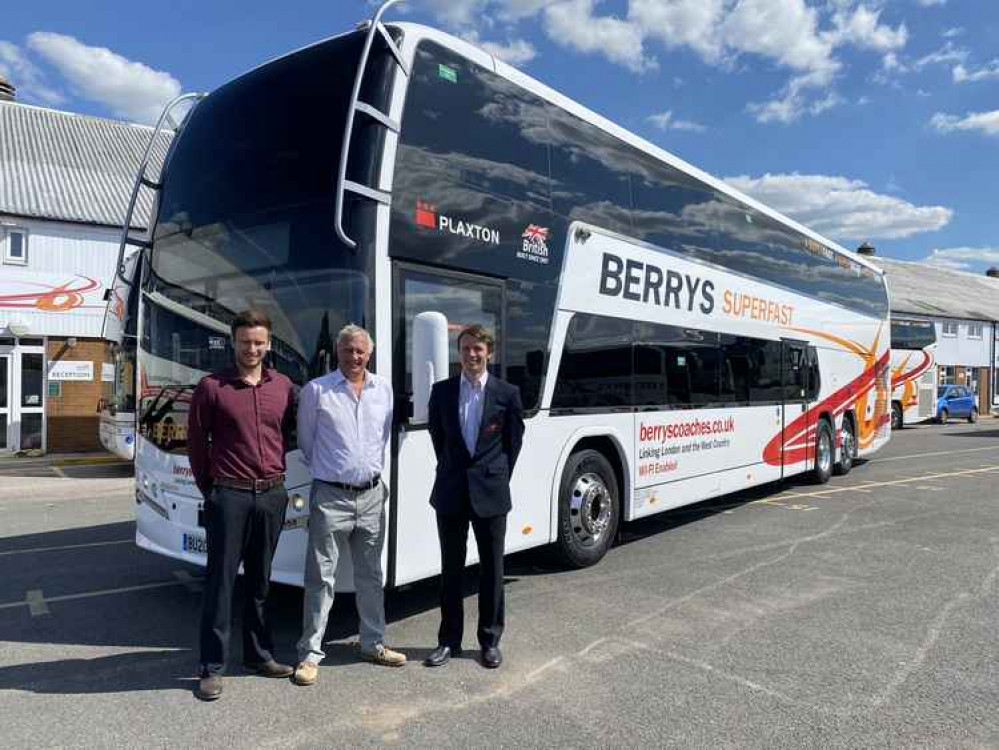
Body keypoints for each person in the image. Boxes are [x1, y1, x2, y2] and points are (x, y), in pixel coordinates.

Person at [188, 309, 296, 702]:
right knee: (220, 584)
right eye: (245, 341)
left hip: (271, 495)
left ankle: (259, 655)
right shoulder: (212, 387)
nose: (251, 348)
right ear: (233, 342)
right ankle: (211, 667)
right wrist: (213, 492)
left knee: (261, 581)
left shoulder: (283, 386)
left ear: (268, 345)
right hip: (229, 496)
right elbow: (198, 448)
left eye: (258, 342)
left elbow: (288, 433)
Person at [292, 325, 406, 687]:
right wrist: (335, 474)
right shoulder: (317, 391)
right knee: (320, 577)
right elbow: (307, 444)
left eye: (360, 351)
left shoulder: (383, 389)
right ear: (336, 352)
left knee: (371, 575)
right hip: (330, 496)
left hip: (372, 495)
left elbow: (383, 437)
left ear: (368, 353)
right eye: (347, 350)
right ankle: (310, 654)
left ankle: (372, 643)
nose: (353, 357)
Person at [424, 324, 524, 669]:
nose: (471, 355)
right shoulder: (442, 392)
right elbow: (439, 438)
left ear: (489, 353)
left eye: (478, 349)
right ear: (459, 352)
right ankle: (448, 641)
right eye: (466, 349)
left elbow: (513, 443)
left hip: (491, 492)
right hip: (451, 491)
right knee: (451, 569)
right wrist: (456, 470)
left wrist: (494, 476)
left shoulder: (507, 393)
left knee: (492, 570)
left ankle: (490, 640)